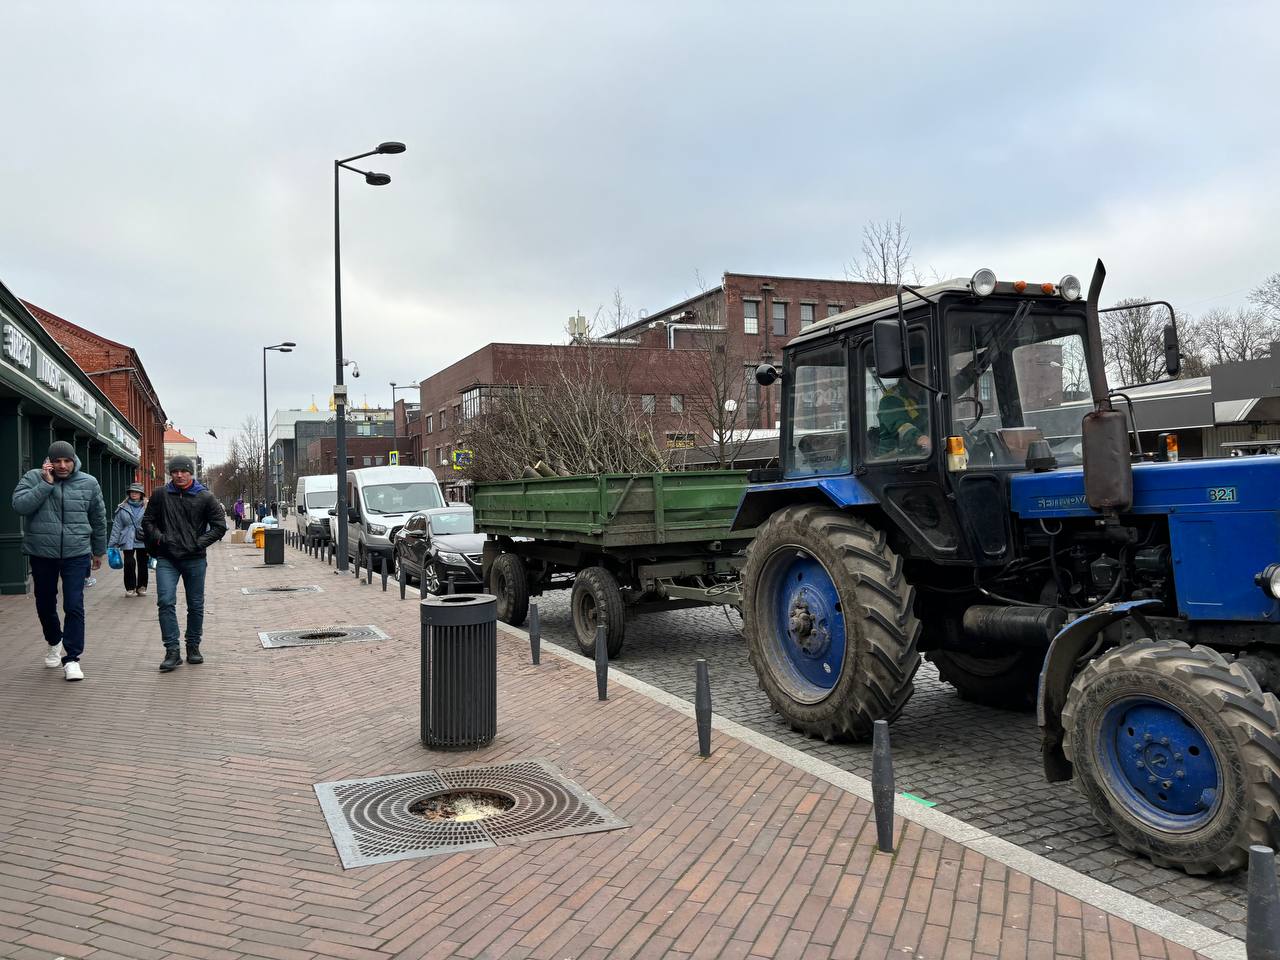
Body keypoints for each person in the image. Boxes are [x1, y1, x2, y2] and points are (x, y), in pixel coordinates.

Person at [10, 440, 107, 681]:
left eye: (67, 460)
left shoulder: (89, 482)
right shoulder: (34, 478)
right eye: (57, 461)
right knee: (45, 604)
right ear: (49, 462)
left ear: (74, 460)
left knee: (74, 604)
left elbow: (98, 518)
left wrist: (98, 551)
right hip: (42, 553)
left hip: (77, 553)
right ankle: (54, 641)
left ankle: (72, 658)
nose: (62, 465)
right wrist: (45, 484)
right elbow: (20, 506)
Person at [142, 456, 227, 672]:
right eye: (175, 471)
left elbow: (219, 526)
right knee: (165, 601)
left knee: (195, 605)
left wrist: (198, 543)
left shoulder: (205, 497)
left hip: (194, 559)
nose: (179, 475)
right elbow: (147, 521)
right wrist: (160, 538)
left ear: (191, 473)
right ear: (171, 473)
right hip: (167, 558)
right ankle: (172, 650)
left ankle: (193, 647)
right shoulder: (161, 495)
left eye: (183, 471)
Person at [108, 482, 150, 596]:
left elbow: (153, 523)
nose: (134, 494)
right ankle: (130, 587)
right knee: (129, 562)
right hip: (127, 538)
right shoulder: (122, 507)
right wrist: (113, 544)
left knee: (143, 563)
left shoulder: (148, 507)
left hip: (142, 538)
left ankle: (141, 586)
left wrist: (153, 539)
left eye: (137, 492)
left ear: (141, 494)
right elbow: (117, 526)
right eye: (132, 492)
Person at [876, 376, 932, 457]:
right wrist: (921, 438)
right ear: (907, 374)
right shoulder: (890, 399)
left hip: (920, 453)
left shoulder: (924, 394)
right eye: (918, 371)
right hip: (893, 459)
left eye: (924, 370)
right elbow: (901, 426)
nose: (924, 375)